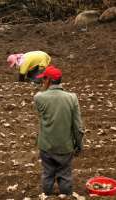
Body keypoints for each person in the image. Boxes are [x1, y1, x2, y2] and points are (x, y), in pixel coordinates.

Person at [34, 65, 84, 198]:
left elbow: (42, 111)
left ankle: (47, 196)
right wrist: (79, 145)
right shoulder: (72, 98)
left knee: (48, 173)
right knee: (65, 174)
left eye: (44, 79)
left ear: (49, 80)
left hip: (46, 145)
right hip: (65, 146)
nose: (42, 81)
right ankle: (65, 196)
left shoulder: (39, 97)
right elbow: (78, 127)